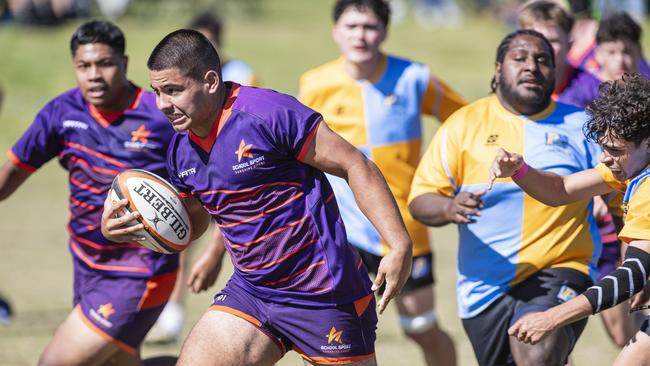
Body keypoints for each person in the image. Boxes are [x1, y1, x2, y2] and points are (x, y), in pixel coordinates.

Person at [102, 29, 413, 365]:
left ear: (209, 81)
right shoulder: (181, 149)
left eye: (173, 91)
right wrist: (134, 226)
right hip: (252, 291)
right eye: (157, 92)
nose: (163, 104)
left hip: (324, 293)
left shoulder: (267, 114)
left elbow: (355, 165)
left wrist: (398, 244)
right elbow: (193, 222)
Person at [0, 20, 213, 365]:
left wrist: (215, 250)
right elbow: (8, 177)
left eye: (105, 63)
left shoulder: (160, 116)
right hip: (87, 264)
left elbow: (213, 187)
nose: (94, 75)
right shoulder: (61, 113)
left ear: (125, 63)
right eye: (84, 66)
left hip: (141, 271)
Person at [408, 29, 603, 366]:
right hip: (484, 286)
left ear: (555, 72)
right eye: (520, 59)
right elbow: (421, 199)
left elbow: (626, 199)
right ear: (498, 69)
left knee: (536, 350)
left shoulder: (582, 126)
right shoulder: (462, 124)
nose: (532, 67)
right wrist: (449, 207)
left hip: (563, 266)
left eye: (543, 60)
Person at [299, 1, 465, 365]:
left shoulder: (414, 77)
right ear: (335, 31)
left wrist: (447, 177)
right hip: (341, 228)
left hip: (403, 227)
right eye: (352, 26)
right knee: (332, 330)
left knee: (420, 327)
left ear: (386, 31)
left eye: (370, 26)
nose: (361, 35)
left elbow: (464, 123)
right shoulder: (314, 84)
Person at [489, 72, 650, 366]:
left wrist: (552, 318)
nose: (604, 159)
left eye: (615, 151)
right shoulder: (631, 168)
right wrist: (520, 171)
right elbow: (561, 189)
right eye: (603, 148)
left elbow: (631, 275)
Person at [519, 1, 636, 348]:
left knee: (620, 330)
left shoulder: (592, 91)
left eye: (553, 40)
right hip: (538, 229)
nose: (544, 49)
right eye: (536, 39)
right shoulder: (518, 90)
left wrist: (601, 191)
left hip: (594, 226)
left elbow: (618, 154)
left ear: (570, 43)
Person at [147, 10, 261, 344]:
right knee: (180, 237)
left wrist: (215, 252)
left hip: (237, 175)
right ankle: (172, 315)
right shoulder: (176, 88)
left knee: (231, 234)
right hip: (199, 172)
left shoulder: (240, 74)